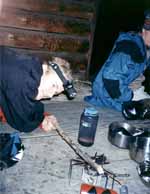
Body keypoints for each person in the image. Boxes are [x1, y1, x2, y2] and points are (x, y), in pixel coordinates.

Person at [84, 10, 150, 112]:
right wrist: (130, 96)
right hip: (111, 96)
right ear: (145, 30)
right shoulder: (129, 46)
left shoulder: (144, 49)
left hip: (131, 90)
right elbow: (111, 78)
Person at [0, 46, 76, 132]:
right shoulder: (25, 80)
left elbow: (28, 100)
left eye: (55, 93)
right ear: (45, 67)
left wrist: (42, 115)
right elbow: (21, 121)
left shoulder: (33, 67)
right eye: (54, 85)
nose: (50, 95)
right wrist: (41, 121)